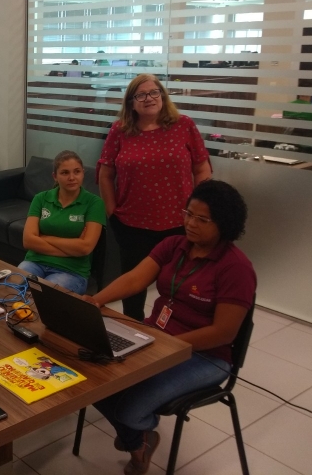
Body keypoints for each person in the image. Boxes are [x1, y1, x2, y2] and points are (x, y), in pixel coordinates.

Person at [84, 180, 256, 475]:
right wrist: (95, 300)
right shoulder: (174, 245)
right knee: (89, 380)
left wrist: (168, 346)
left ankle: (137, 438)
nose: (190, 223)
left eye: (202, 219)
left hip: (206, 356)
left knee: (128, 409)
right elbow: (135, 279)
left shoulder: (236, 268)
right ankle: (139, 440)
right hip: (155, 339)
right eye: (188, 214)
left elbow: (224, 332)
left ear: (224, 224)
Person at [98, 74, 211, 320]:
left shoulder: (183, 125)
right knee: (133, 289)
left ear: (162, 95)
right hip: (131, 226)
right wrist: (111, 212)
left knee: (178, 287)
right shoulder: (120, 130)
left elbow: (202, 168)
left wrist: (198, 213)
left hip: (179, 225)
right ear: (131, 102)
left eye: (154, 92)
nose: (148, 98)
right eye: (140, 95)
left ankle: (173, 331)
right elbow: (105, 174)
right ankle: (133, 328)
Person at [18, 151, 106, 295]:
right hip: (35, 262)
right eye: (65, 173)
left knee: (43, 296)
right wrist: (73, 247)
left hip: (72, 271)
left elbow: (85, 248)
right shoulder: (41, 198)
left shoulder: (94, 203)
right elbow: (28, 241)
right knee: (12, 288)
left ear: (83, 173)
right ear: (55, 176)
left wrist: (45, 238)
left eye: (77, 172)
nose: (72, 177)